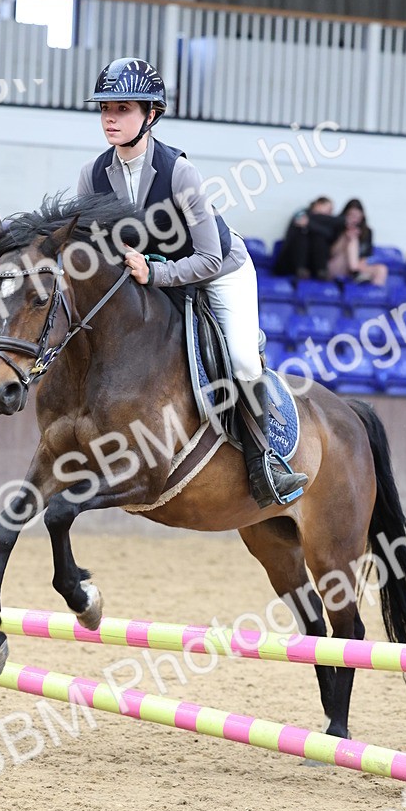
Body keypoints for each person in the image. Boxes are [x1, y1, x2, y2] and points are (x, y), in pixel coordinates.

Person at [78, 57, 307, 507]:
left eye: (123, 108)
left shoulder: (179, 172)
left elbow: (208, 257)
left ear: (151, 115)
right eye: (106, 107)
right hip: (153, 279)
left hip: (219, 273)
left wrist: (155, 272)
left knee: (242, 362)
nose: (110, 116)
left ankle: (267, 464)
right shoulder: (92, 175)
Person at [274, 196, 340, 278]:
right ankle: (301, 269)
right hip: (291, 260)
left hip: (312, 263)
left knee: (319, 237)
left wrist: (309, 224)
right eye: (329, 209)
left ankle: (321, 271)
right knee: (303, 234)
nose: (330, 213)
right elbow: (298, 222)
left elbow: (329, 234)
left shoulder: (327, 222)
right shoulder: (302, 213)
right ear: (319, 205)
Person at [327, 198, 388, 286]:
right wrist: (345, 238)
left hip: (356, 266)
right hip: (338, 264)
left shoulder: (367, 232)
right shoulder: (337, 229)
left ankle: (373, 295)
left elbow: (364, 258)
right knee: (352, 240)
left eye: (356, 215)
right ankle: (356, 273)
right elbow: (332, 253)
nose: (353, 219)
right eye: (350, 215)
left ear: (362, 215)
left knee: (382, 269)